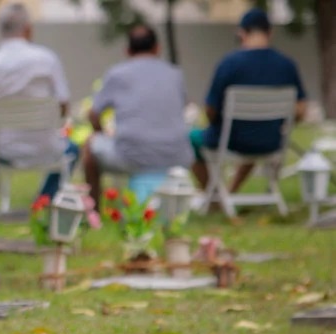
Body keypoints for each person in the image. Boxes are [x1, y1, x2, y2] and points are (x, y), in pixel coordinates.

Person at [0, 2, 76, 213]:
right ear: (28, 28)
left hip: (5, 149)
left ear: (1, 30)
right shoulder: (47, 59)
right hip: (48, 147)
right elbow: (63, 106)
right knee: (72, 149)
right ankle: (43, 201)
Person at [191, 8, 307, 193]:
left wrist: (215, 121)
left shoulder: (229, 63)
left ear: (241, 33)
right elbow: (301, 109)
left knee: (190, 137)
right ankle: (231, 191)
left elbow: (210, 109)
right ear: (270, 32)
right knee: (255, 133)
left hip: (233, 139)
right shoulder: (287, 65)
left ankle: (214, 197)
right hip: (271, 140)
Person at [82, 24, 192, 210]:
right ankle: (213, 201)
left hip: (132, 157)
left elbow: (94, 114)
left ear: (127, 50)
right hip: (177, 156)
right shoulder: (175, 74)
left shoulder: (117, 74)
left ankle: (95, 211)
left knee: (88, 147)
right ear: (157, 48)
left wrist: (102, 133)